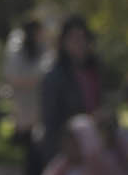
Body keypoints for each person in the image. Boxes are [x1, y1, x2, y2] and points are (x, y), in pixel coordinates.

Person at [40, 20, 106, 162]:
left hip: (93, 145)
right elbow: (51, 121)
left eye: (83, 38)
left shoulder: (94, 71)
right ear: (63, 42)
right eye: (74, 38)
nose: (80, 43)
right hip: (69, 150)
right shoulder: (55, 76)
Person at [7, 21, 50, 175]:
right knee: (29, 149)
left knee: (36, 148)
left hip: (38, 108)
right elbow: (15, 75)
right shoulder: (17, 48)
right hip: (25, 107)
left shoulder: (43, 48)